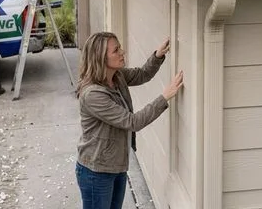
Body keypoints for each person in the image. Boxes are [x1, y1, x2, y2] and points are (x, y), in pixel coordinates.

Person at [75, 32, 184, 209]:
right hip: (96, 171)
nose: (122, 52)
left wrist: (158, 55)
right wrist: (164, 97)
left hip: (116, 165)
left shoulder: (116, 77)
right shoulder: (93, 94)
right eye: (116, 50)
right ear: (100, 58)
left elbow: (142, 74)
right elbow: (133, 122)